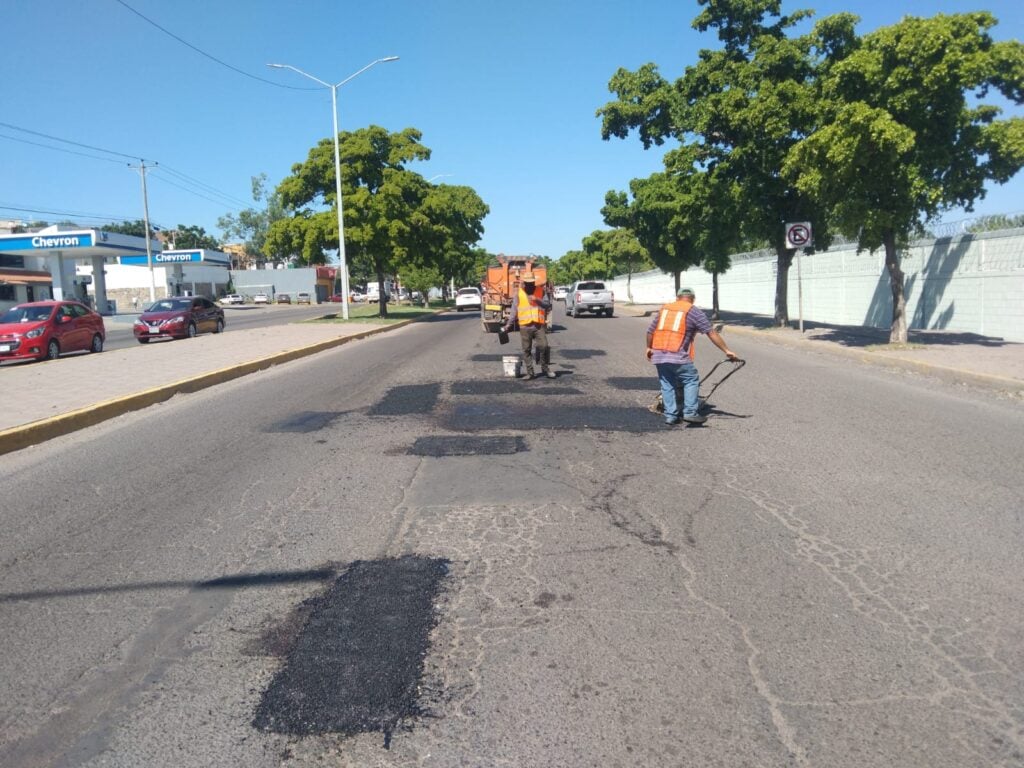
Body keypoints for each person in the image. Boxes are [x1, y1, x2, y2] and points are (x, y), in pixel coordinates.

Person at [646, 287, 738, 425]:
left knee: (667, 384)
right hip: (677, 354)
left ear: (677, 297)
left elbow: (650, 331)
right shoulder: (693, 311)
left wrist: (649, 347)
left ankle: (671, 416)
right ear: (693, 299)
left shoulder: (664, 309)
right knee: (691, 379)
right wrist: (727, 350)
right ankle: (690, 412)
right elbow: (711, 332)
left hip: (658, 354)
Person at [503, 271, 555, 379]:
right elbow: (514, 311)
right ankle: (530, 372)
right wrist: (509, 325)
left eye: (531, 282)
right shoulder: (519, 294)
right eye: (527, 283)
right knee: (526, 349)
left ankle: (545, 368)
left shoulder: (541, 291)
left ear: (534, 282)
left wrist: (537, 300)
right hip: (525, 326)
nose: (529, 284)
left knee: (544, 346)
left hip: (538, 325)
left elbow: (547, 305)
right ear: (524, 283)